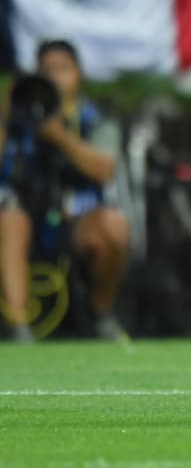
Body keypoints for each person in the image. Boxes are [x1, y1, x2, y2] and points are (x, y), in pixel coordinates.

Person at [0, 40, 129, 342]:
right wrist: (6, 116)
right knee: (9, 221)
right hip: (26, 218)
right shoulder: (19, 117)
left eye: (62, 70)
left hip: (76, 219)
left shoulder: (94, 119)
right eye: (47, 71)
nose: (55, 78)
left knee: (115, 226)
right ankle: (19, 326)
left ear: (78, 75)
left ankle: (101, 315)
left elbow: (104, 169)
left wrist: (59, 136)